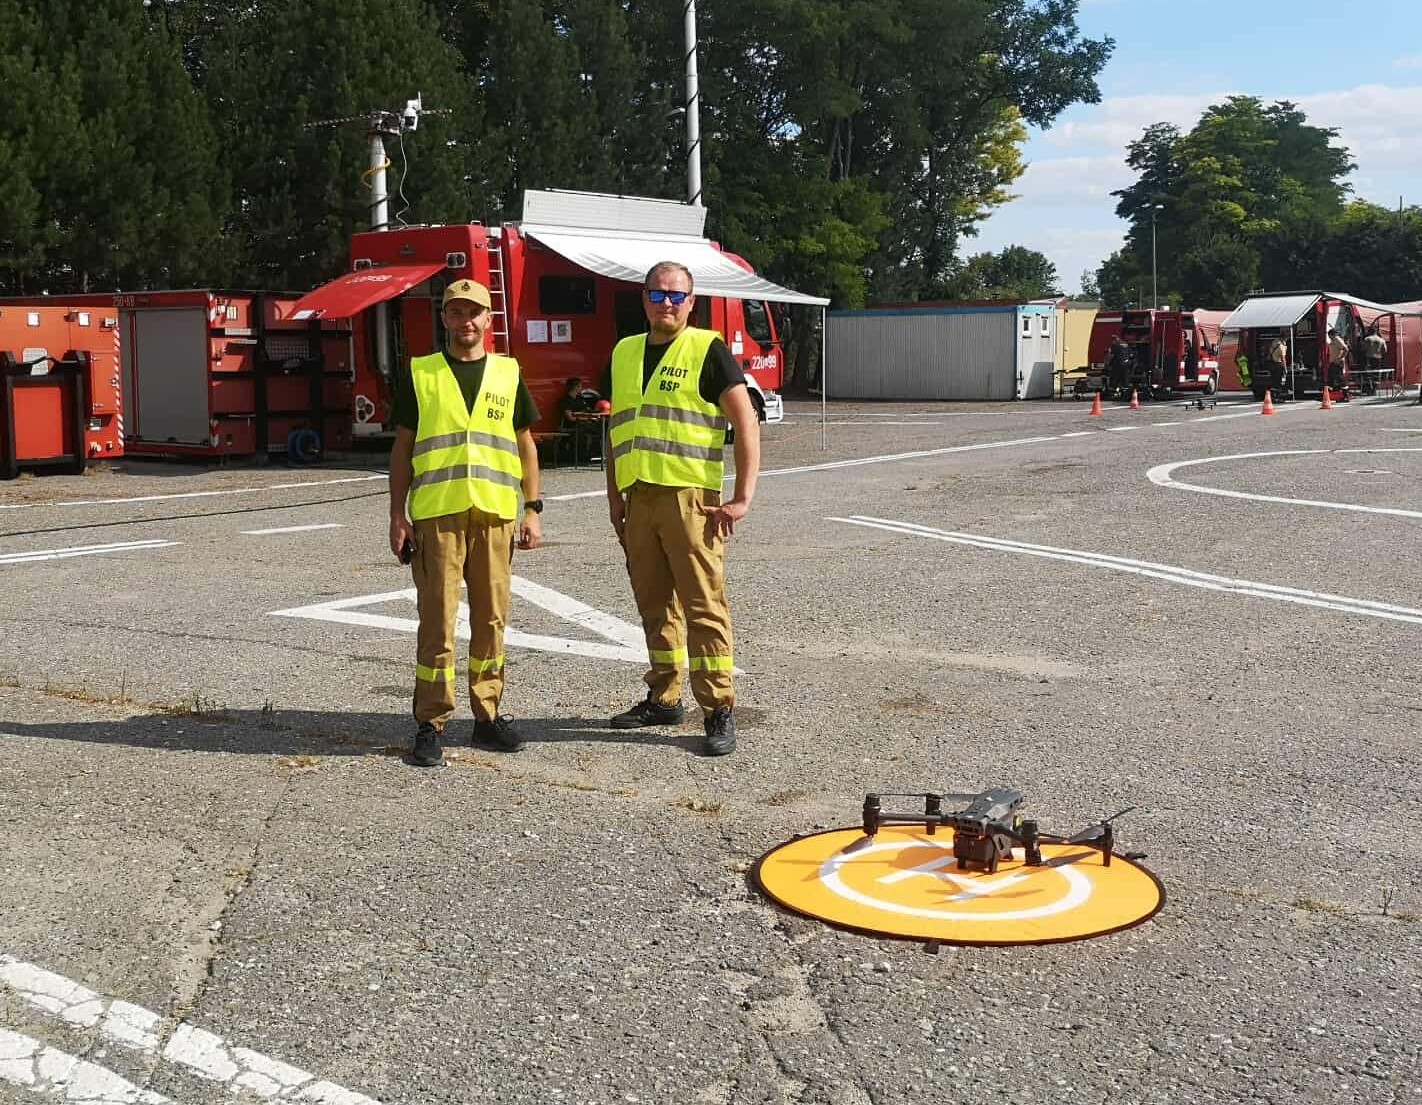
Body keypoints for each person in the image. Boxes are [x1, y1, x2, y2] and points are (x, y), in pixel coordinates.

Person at [604, 261, 760, 756]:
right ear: (644, 298)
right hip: (639, 498)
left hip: (692, 502)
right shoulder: (625, 352)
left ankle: (717, 708)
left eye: (677, 295)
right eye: (658, 294)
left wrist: (741, 497)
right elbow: (615, 432)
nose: (666, 303)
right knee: (654, 605)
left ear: (691, 303)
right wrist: (614, 497)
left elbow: (747, 422)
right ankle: (664, 695)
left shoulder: (706, 349)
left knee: (703, 607)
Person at [388, 279, 544, 768]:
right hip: (437, 515)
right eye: (456, 313)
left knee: (492, 618)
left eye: (474, 313)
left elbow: (525, 445)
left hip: (495, 514)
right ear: (445, 319)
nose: (466, 322)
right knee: (437, 619)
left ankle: (487, 715)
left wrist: (533, 507)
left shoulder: (508, 372)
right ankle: (430, 723)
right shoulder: (422, 373)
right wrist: (398, 514)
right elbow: (402, 450)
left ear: (488, 319)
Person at [1326, 327, 1348, 392]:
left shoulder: (1337, 339)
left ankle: (1345, 393)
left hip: (1337, 362)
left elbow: (1346, 349)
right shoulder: (1333, 340)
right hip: (1333, 361)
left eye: (1329, 335)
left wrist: (1339, 358)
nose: (1329, 337)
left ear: (1331, 334)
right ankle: (1330, 392)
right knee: (1331, 377)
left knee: (1339, 377)